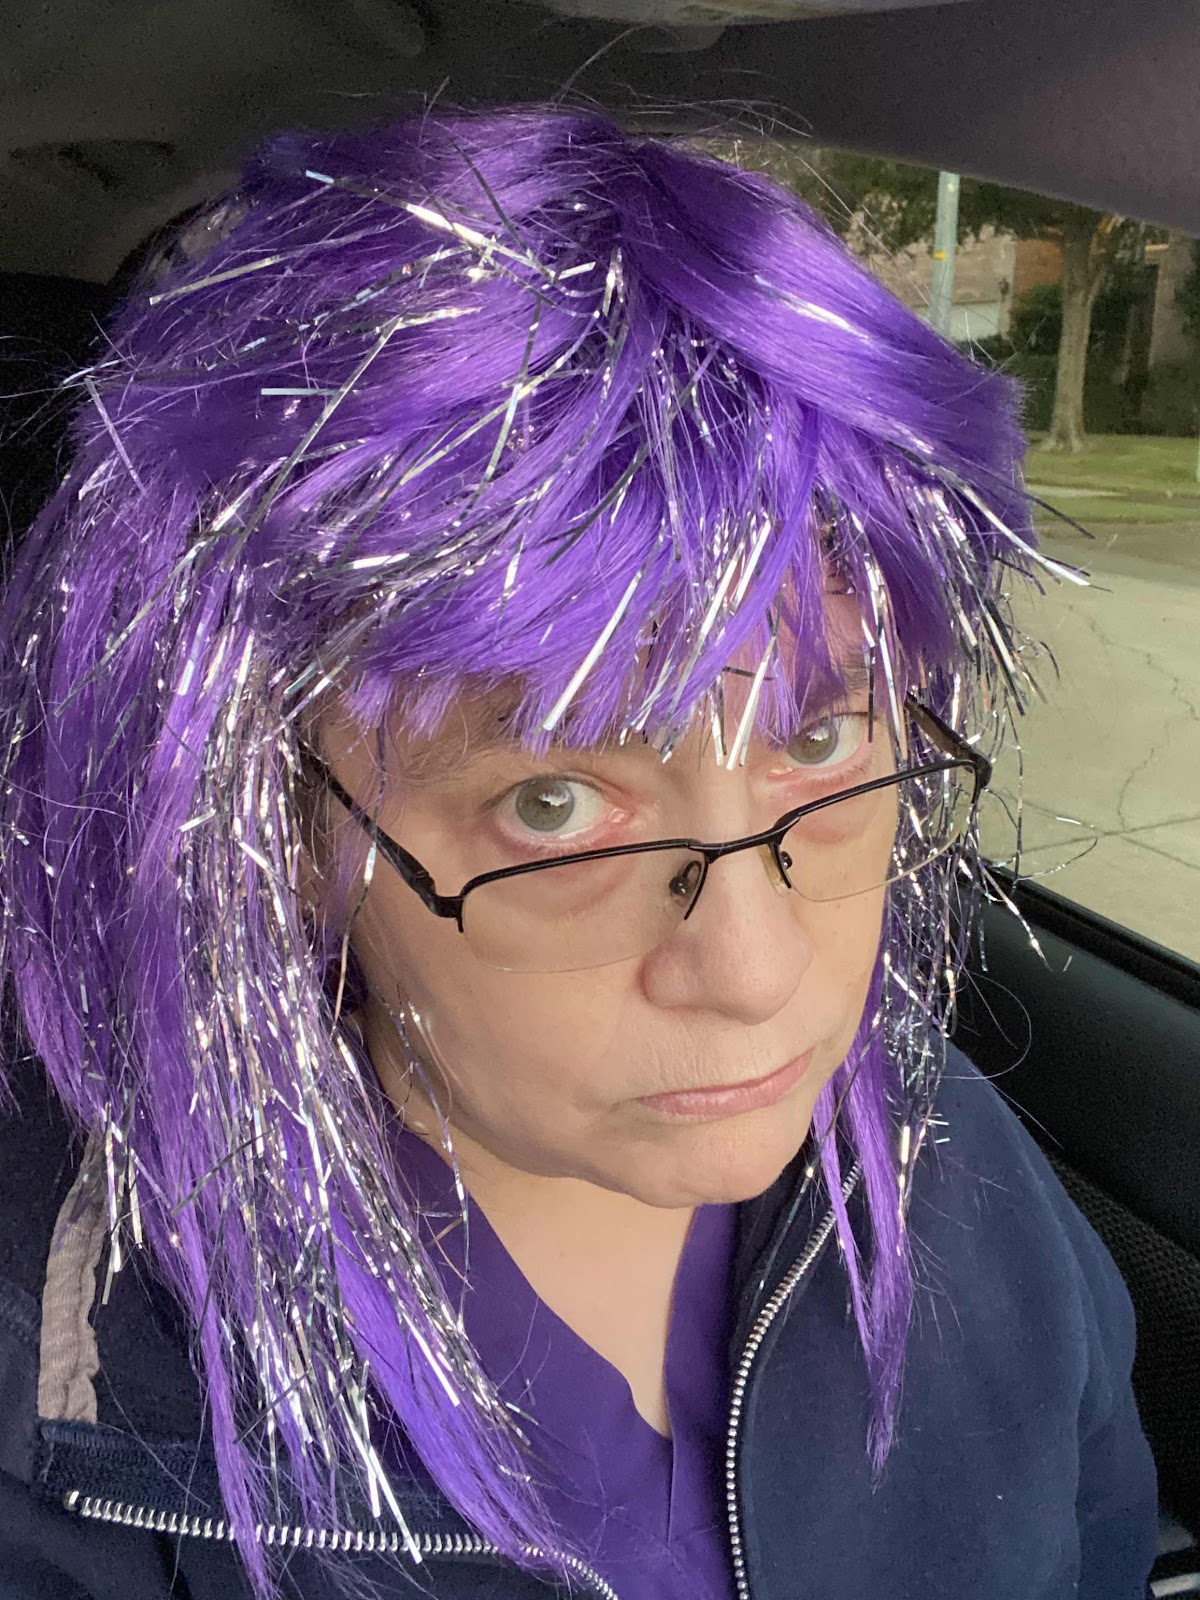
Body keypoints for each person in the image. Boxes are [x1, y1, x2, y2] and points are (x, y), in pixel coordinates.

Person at [0, 106, 1157, 1600]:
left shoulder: (953, 1162)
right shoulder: (71, 1415)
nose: (758, 971)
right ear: (269, 822)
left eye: (820, 739)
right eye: (550, 804)